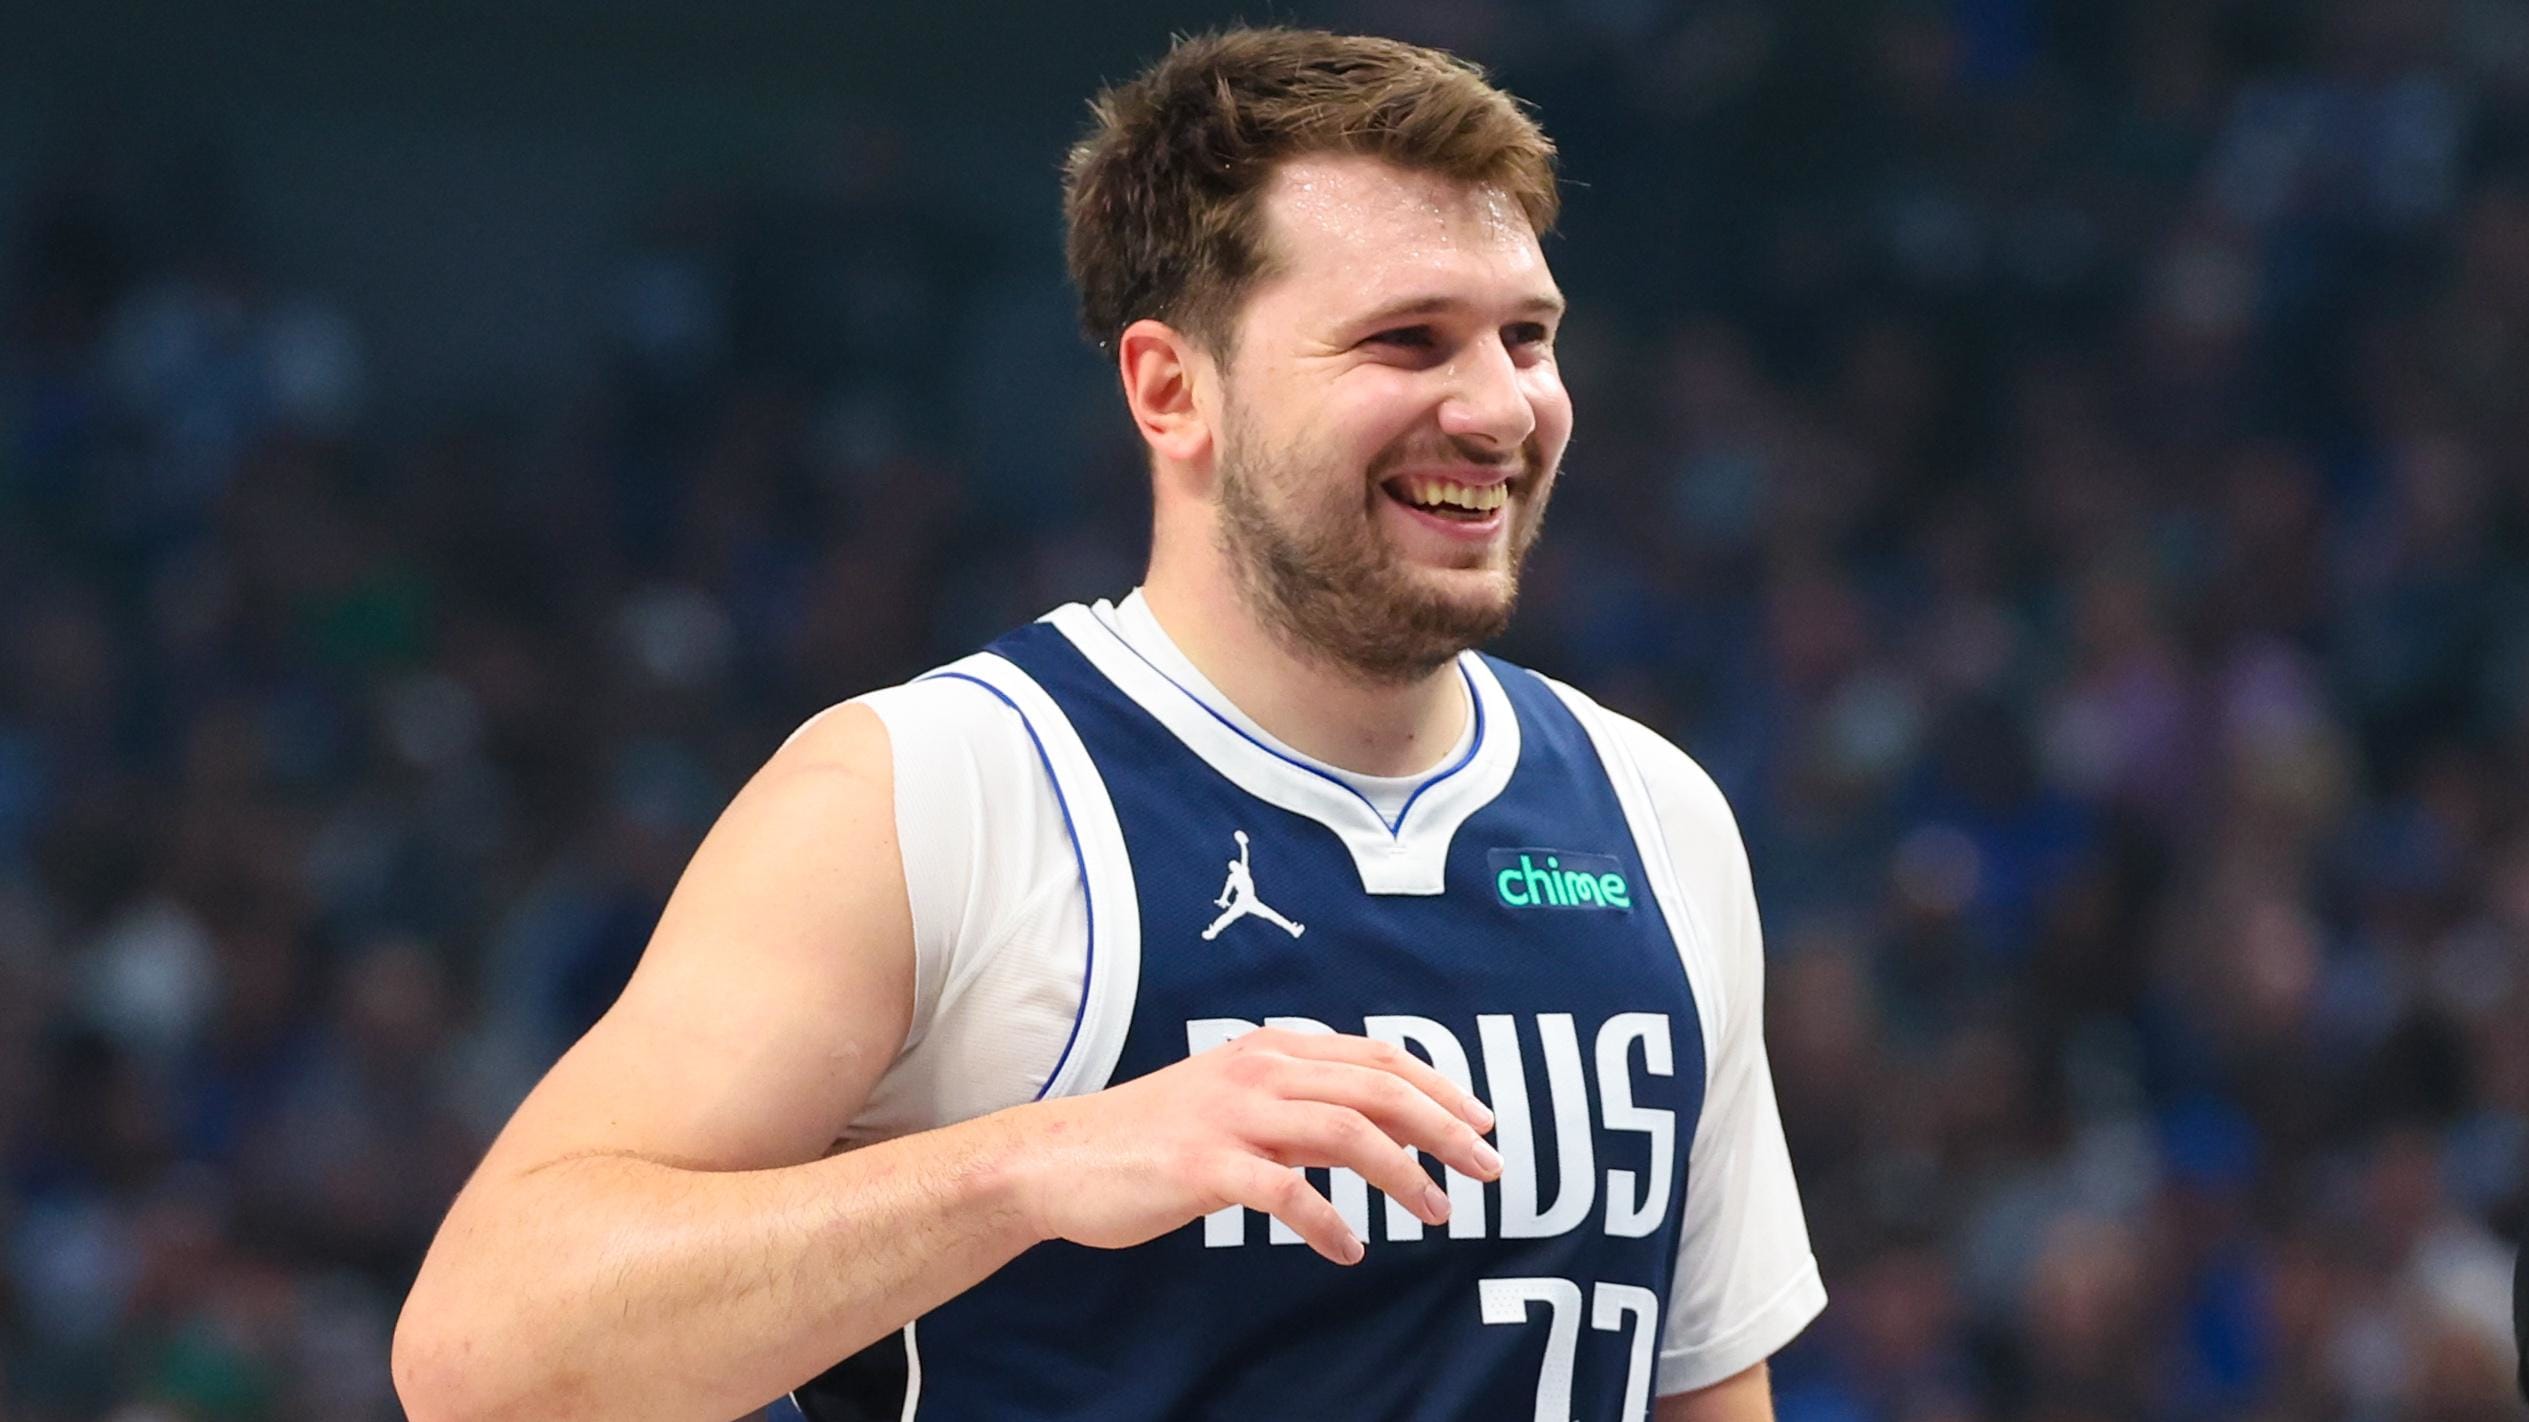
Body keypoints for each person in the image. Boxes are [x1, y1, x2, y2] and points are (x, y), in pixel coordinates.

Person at [392, 27, 1824, 1422]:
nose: (1500, 405)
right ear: (1168, 386)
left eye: (1526, 336)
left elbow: (1704, 1384)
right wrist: (1028, 1165)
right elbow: (483, 1348)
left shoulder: (1656, 812)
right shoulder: (933, 788)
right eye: (1409, 338)